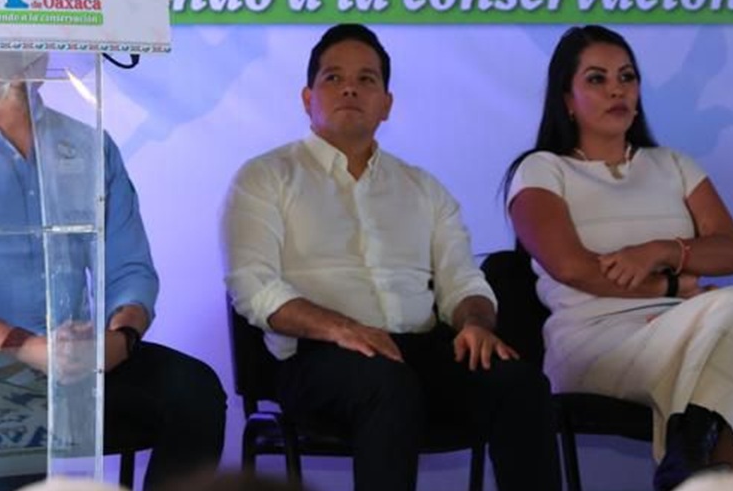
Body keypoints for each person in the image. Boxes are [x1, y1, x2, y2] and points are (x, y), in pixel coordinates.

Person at [222, 24, 560, 491]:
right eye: (333, 78)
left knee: (519, 385)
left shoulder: (424, 188)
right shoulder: (264, 177)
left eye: (367, 80)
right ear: (307, 98)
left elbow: (463, 283)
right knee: (387, 385)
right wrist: (343, 329)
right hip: (318, 359)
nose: (350, 89)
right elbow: (254, 287)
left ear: (387, 103)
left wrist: (475, 323)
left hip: (420, 352)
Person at [504, 25, 733, 491]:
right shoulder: (542, 169)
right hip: (594, 342)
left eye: (627, 77)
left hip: (687, 332)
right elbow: (571, 267)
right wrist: (673, 287)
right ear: (566, 98)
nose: (617, 89)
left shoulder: (674, 164)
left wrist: (662, 250)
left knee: (730, 333)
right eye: (597, 79)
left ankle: (701, 466)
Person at [0, 75, 227, 491]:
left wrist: (119, 339)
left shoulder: (88, 144)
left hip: (78, 357)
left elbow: (131, 268)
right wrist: (28, 346)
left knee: (194, 390)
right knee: (17, 402)